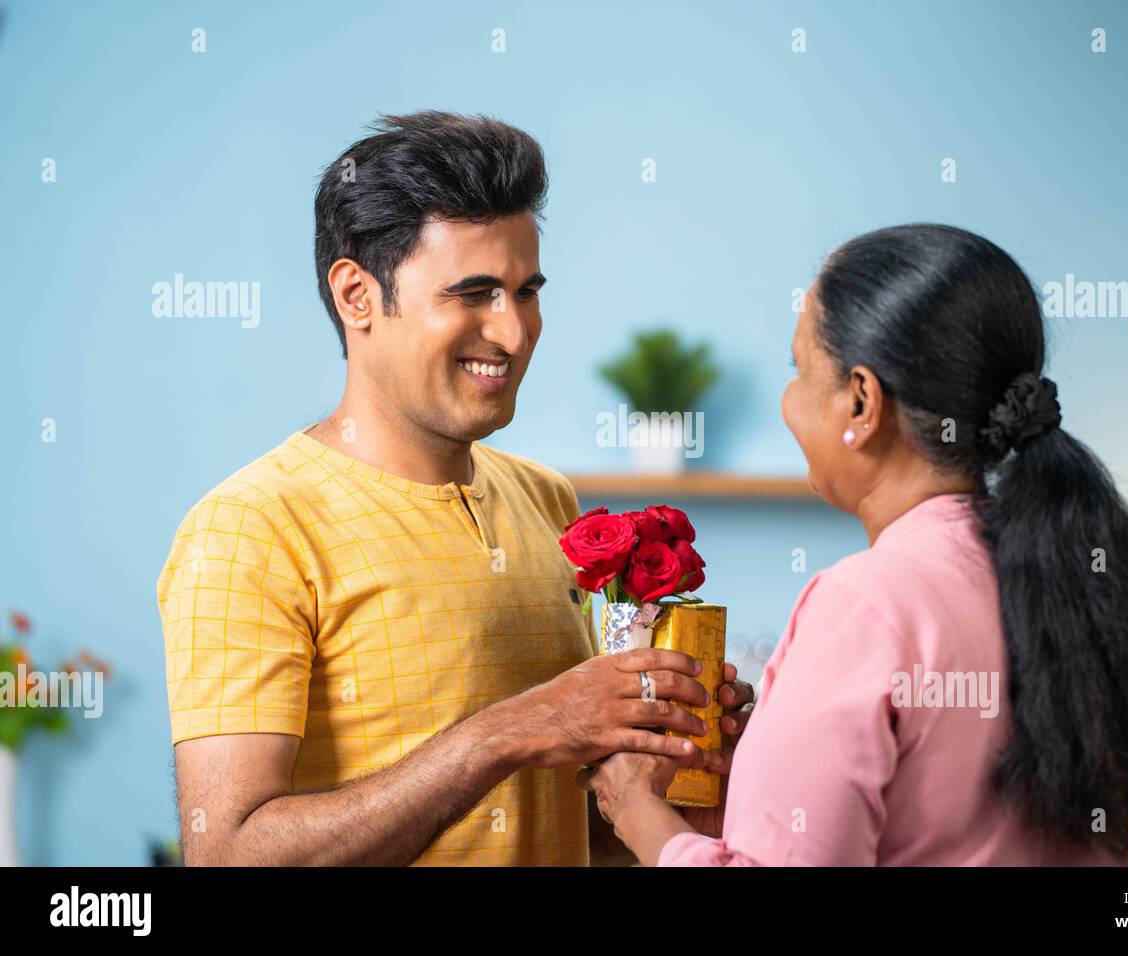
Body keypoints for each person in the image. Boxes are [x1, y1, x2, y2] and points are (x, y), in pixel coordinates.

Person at [156, 111, 753, 866]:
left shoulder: (547, 500)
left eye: (525, 290)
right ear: (357, 296)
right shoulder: (250, 527)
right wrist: (509, 732)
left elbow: (563, 833)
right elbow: (228, 854)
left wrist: (670, 793)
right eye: (473, 293)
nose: (512, 331)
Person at [582, 224, 1128, 866]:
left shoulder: (866, 604)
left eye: (799, 370)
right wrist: (758, 790)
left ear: (861, 401)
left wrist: (640, 816)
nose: (788, 401)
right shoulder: (1071, 577)